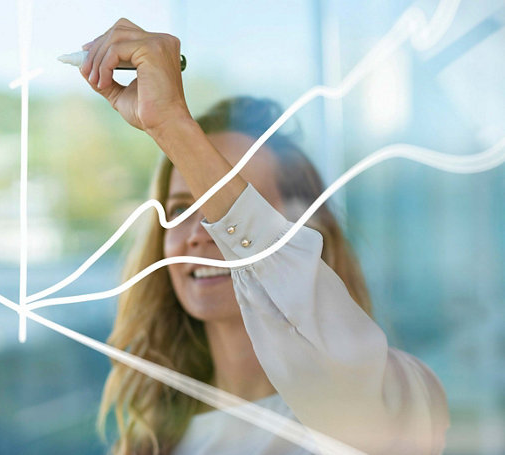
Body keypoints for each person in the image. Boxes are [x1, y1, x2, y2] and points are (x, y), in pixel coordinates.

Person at [78, 18, 450, 455]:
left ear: (309, 235)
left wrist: (171, 126)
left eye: (230, 202)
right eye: (180, 209)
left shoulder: (392, 400)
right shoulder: (149, 442)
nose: (201, 232)